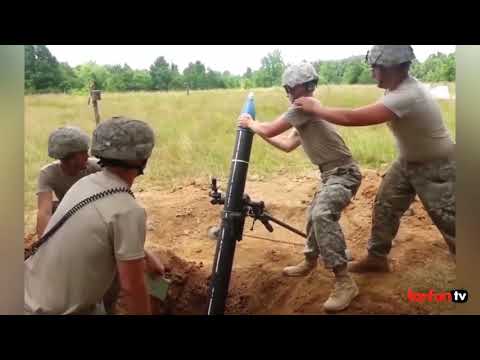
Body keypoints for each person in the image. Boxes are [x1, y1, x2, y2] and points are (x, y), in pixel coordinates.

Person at [293, 45, 456, 274]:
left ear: (392, 68)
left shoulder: (408, 94)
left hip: (437, 165)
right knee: (385, 205)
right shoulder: (395, 89)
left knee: (449, 218)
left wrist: (318, 109)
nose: (372, 73)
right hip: (407, 161)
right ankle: (377, 258)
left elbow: (353, 118)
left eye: (375, 68)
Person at [237, 62, 362, 312]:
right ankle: (310, 259)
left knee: (321, 214)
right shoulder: (306, 112)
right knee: (314, 214)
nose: (295, 92)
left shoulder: (301, 108)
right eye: (294, 88)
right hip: (331, 175)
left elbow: (272, 128)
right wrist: (258, 129)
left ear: (301, 88)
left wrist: (251, 124)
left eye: (298, 87)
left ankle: (344, 281)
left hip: (344, 174)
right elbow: (285, 144)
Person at [25, 116, 164, 315]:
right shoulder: (128, 210)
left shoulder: (84, 184)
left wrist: (144, 254)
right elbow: (133, 289)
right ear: (144, 157)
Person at [36, 126, 101, 237]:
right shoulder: (48, 173)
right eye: (84, 153)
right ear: (70, 158)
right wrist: (43, 244)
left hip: (96, 212)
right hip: (70, 213)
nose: (88, 156)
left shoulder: (97, 167)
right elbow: (44, 212)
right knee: (53, 207)